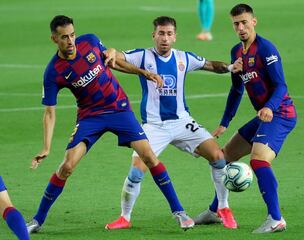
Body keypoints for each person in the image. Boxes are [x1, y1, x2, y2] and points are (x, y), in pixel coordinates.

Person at [26, 15, 195, 234]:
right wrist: (46, 147)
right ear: (54, 39)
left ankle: (180, 212)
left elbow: (114, 62)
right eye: (64, 37)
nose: (70, 41)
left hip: (119, 109)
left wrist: (145, 73)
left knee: (149, 157)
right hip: (90, 117)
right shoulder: (53, 72)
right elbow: (49, 113)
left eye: (72, 35)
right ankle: (37, 220)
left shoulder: (91, 42)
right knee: (67, 166)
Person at [104, 16, 242, 230]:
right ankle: (125, 217)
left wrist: (231, 67)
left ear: (175, 37)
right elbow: (118, 57)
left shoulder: (183, 58)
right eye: (161, 33)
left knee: (218, 156)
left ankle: (223, 207)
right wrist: (112, 50)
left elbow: (211, 65)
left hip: (182, 122)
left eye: (169, 34)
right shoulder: (143, 56)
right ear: (154, 35)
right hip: (153, 126)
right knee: (136, 171)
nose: (165, 38)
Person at [194, 4, 297, 234]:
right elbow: (237, 90)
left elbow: (281, 86)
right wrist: (224, 122)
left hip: (281, 113)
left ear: (254, 22)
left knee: (259, 161)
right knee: (223, 158)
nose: (241, 27)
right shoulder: (236, 53)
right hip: (264, 116)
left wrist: (270, 107)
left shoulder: (266, 49)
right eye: (236, 24)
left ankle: (276, 218)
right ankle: (215, 211)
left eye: (244, 22)